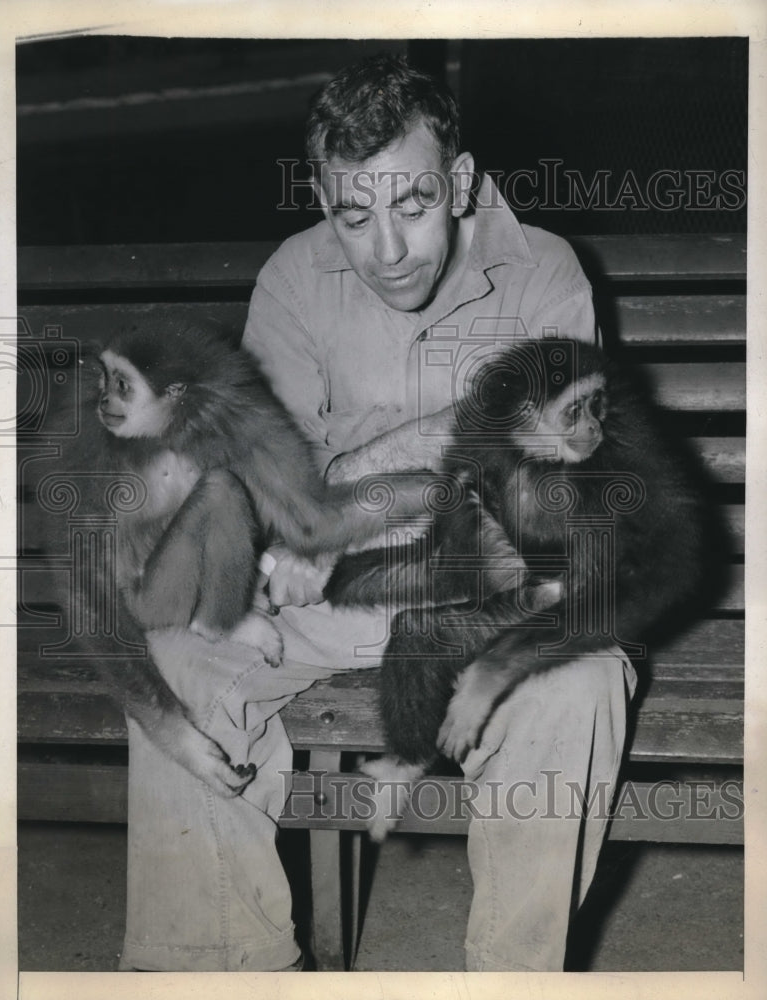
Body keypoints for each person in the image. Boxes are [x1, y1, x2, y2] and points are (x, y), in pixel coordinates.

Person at [119, 53, 635, 974]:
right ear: (323, 199)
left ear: (462, 183)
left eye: (414, 207)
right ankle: (221, 971)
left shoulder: (545, 272)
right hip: (333, 603)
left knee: (579, 681)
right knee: (179, 650)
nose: (387, 251)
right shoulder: (292, 280)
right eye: (353, 216)